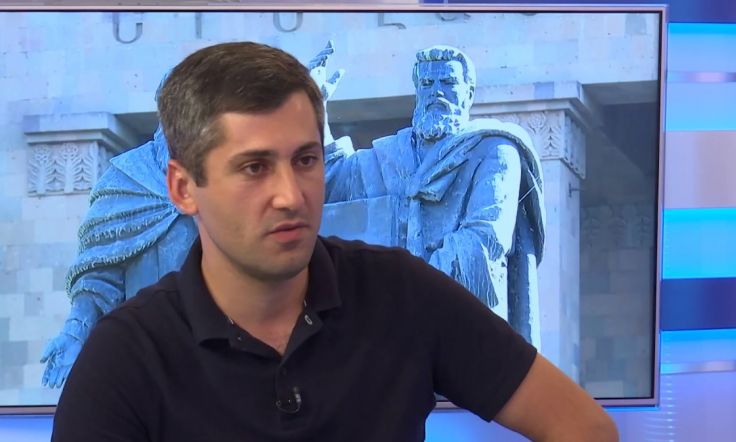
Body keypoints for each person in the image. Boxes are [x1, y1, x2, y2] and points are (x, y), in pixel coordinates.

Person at [52, 41, 617, 442]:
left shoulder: (403, 292)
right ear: (183, 188)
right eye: (254, 167)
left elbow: (584, 426)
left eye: (306, 160)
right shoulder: (125, 355)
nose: (290, 195)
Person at [321, 45, 544, 344]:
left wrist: (407, 290)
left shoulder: (494, 150)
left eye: (448, 82)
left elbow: (484, 239)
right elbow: (331, 183)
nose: (436, 91)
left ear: (469, 93)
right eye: (427, 83)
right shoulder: (390, 155)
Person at [40, 116, 197, 389]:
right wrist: (75, 331)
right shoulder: (126, 175)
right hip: (143, 359)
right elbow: (99, 276)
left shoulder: (231, 178)